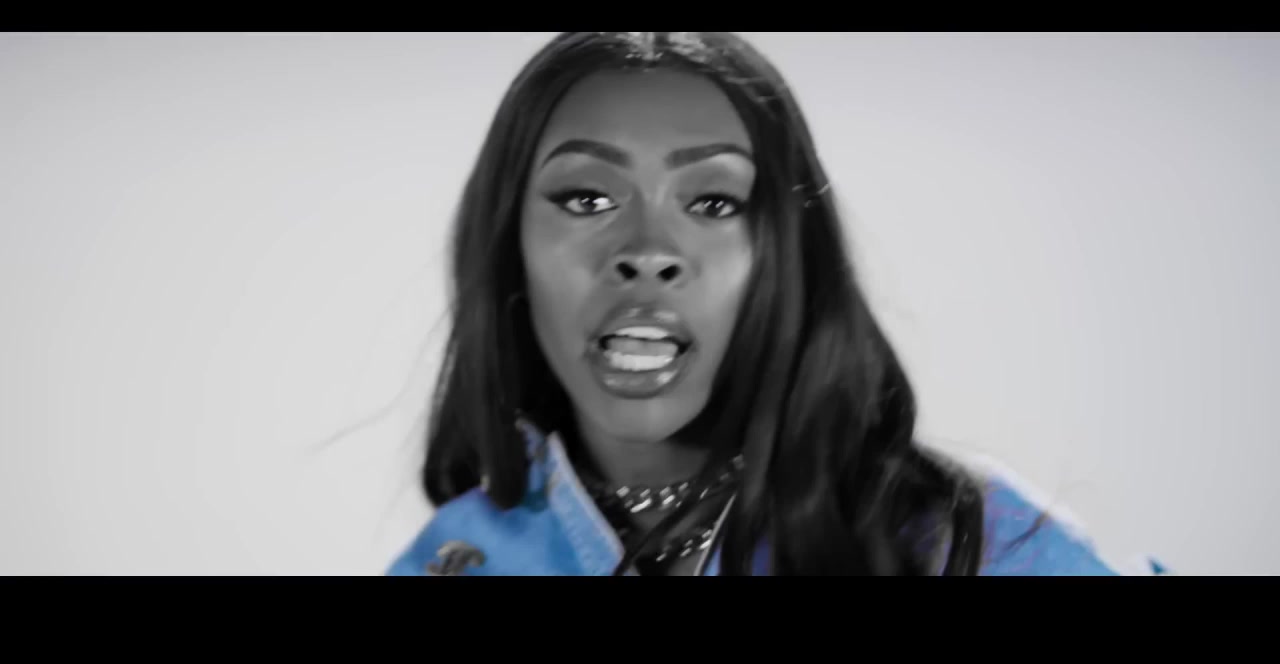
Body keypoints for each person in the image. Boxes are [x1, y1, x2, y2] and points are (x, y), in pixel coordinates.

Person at [386, 32, 1165, 576]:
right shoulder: (452, 560)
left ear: (786, 253)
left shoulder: (963, 538)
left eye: (714, 202)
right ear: (507, 245)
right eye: (587, 198)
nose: (648, 249)